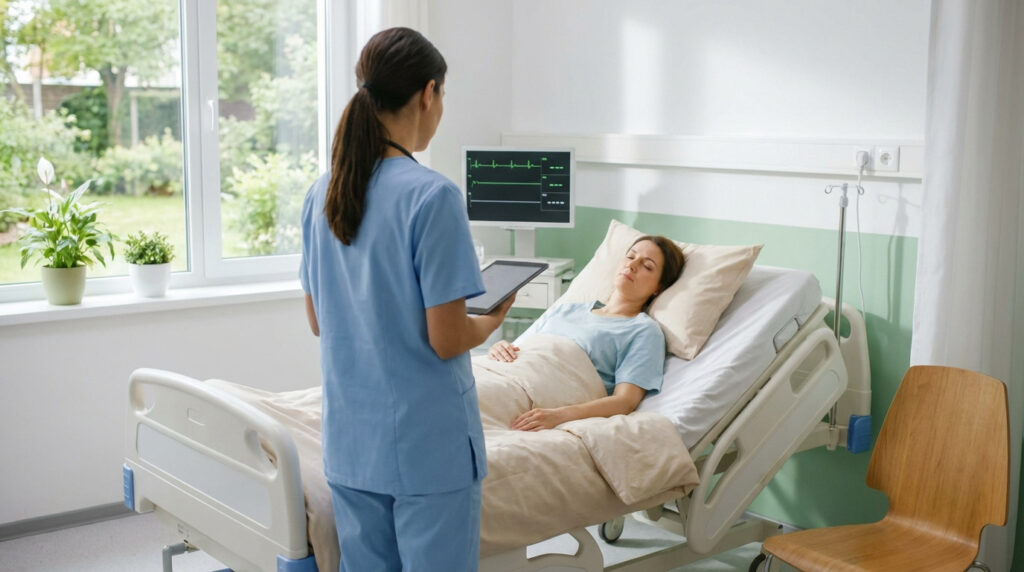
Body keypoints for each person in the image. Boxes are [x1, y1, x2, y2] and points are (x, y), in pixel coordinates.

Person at [299, 27, 512, 572]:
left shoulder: (321, 193)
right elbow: (447, 341)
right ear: (428, 93)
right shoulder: (432, 196)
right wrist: (490, 320)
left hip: (351, 444)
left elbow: (319, 319)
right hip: (427, 451)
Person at [487, 236, 684, 432]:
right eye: (631, 256)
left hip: (537, 393)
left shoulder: (643, 331)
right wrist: (501, 347)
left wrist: (559, 415)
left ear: (659, 288)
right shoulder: (566, 310)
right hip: (504, 375)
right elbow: (525, 350)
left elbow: (625, 401)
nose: (632, 265)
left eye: (647, 266)